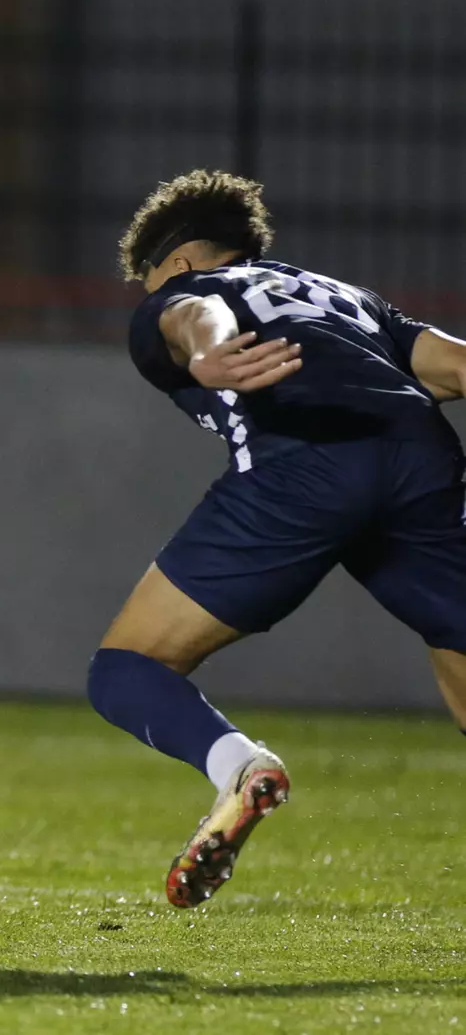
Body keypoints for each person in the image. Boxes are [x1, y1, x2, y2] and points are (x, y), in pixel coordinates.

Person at [92, 168, 466, 909]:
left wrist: (208, 352)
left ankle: (239, 766)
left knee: (126, 668)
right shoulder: (344, 297)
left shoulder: (184, 293)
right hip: (420, 457)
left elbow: (192, 314)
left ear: (178, 261)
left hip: (304, 464)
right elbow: (454, 366)